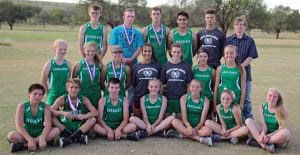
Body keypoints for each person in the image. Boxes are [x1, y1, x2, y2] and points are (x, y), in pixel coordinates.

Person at [7, 84, 60, 153]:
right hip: (27, 132)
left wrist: (42, 138)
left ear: (42, 96)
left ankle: (23, 146)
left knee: (57, 130)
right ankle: (45, 141)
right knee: (11, 135)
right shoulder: (22, 106)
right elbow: (19, 126)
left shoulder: (46, 107)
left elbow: (48, 125)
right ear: (29, 94)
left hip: (40, 132)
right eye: (35, 94)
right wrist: (29, 140)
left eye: (40, 94)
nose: (37, 96)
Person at [224, 16, 258, 119]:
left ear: (245, 27)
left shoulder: (250, 40)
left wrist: (240, 67)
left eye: (242, 24)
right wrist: (233, 68)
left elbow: (251, 56)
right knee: (230, 96)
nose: (239, 26)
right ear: (234, 26)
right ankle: (231, 118)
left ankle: (248, 119)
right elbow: (225, 55)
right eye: (237, 24)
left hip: (245, 73)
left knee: (246, 97)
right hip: (230, 74)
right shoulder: (228, 39)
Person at [109, 8, 144, 105]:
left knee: (132, 88)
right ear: (124, 17)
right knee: (117, 86)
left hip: (133, 64)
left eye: (132, 16)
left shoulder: (137, 32)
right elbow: (112, 46)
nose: (130, 18)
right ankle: (117, 108)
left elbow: (139, 48)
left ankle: (128, 108)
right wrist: (121, 58)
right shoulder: (116, 30)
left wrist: (131, 59)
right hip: (118, 64)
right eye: (128, 16)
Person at [51, 78, 98, 148]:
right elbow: (50, 110)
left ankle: (69, 139)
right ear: (67, 88)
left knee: (93, 119)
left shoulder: (83, 99)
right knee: (52, 118)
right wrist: (63, 113)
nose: (73, 89)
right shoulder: (62, 98)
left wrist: (84, 116)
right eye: (71, 87)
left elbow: (95, 112)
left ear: (79, 89)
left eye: (76, 87)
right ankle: (78, 138)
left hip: (80, 126)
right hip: (65, 126)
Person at [168, 79, 212, 146]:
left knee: (208, 131)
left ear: (201, 88)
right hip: (186, 126)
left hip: (199, 127)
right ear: (189, 87)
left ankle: (181, 135)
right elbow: (184, 117)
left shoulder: (206, 100)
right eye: (193, 86)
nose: (195, 89)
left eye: (197, 87)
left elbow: (202, 121)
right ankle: (200, 139)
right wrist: (188, 126)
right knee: (174, 121)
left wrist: (194, 130)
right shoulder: (183, 98)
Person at [245, 88, 290, 154]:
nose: (272, 98)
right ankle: (265, 146)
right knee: (248, 120)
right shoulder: (263, 106)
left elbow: (282, 128)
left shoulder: (282, 110)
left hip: (276, 135)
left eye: (275, 96)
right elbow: (264, 124)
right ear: (266, 96)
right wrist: (263, 134)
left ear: (278, 99)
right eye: (270, 95)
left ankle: (257, 142)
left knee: (286, 132)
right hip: (266, 132)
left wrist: (268, 136)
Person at [160, 43, 192, 118]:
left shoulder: (186, 66)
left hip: (181, 97)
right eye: (174, 52)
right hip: (168, 97)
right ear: (171, 52)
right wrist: (161, 96)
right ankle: (167, 130)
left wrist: (187, 97)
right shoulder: (165, 66)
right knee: (167, 117)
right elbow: (161, 83)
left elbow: (188, 84)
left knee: (180, 118)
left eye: (178, 52)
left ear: (181, 53)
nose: (176, 54)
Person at [213, 45, 246, 112]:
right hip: (222, 99)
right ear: (224, 55)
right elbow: (216, 87)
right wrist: (214, 104)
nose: (229, 55)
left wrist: (241, 104)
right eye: (227, 53)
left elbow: (243, 89)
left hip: (235, 99)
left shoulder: (241, 68)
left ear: (236, 54)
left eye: (232, 53)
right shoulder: (220, 68)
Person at [131, 44, 160, 116]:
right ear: (142, 52)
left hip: (153, 98)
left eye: (149, 51)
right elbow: (134, 84)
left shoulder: (157, 66)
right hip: (138, 96)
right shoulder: (135, 67)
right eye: (145, 51)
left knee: (151, 118)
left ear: (152, 52)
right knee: (138, 120)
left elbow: (159, 83)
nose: (147, 53)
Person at [41, 39, 71, 106]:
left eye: (64, 49)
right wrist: (49, 94)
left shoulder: (68, 63)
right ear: (55, 50)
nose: (63, 51)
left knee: (65, 115)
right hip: (53, 96)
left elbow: (70, 80)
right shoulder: (49, 64)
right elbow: (43, 81)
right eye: (60, 49)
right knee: (50, 114)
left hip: (65, 95)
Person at [73, 42, 102, 110]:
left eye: (93, 51)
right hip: (83, 94)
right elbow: (73, 80)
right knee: (83, 116)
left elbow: (102, 80)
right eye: (88, 51)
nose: (90, 53)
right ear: (84, 51)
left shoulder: (99, 65)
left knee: (95, 115)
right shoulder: (78, 65)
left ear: (95, 52)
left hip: (96, 94)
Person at [193, 47, 215, 118]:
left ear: (208, 58)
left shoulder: (212, 71)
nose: (203, 58)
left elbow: (214, 86)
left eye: (205, 56)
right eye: (201, 56)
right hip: (197, 99)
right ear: (197, 57)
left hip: (209, 98)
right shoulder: (194, 69)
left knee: (208, 119)